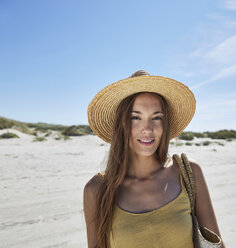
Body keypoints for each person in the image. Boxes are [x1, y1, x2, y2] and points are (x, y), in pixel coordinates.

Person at [83, 70, 225, 248]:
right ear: (122, 123)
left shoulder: (188, 172)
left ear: (164, 125)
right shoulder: (97, 189)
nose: (147, 129)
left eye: (156, 118)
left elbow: (216, 246)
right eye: (136, 117)